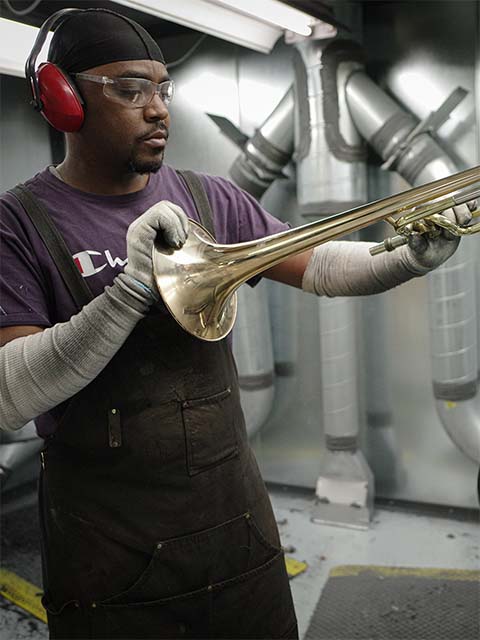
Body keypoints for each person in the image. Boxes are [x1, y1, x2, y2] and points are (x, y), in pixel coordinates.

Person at [0, 7, 472, 640]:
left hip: (235, 524)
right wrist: (135, 287)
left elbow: (322, 265)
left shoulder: (208, 197)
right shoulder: (19, 224)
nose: (158, 109)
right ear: (63, 100)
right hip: (108, 549)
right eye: (129, 90)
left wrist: (406, 258)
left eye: (162, 89)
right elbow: (11, 393)